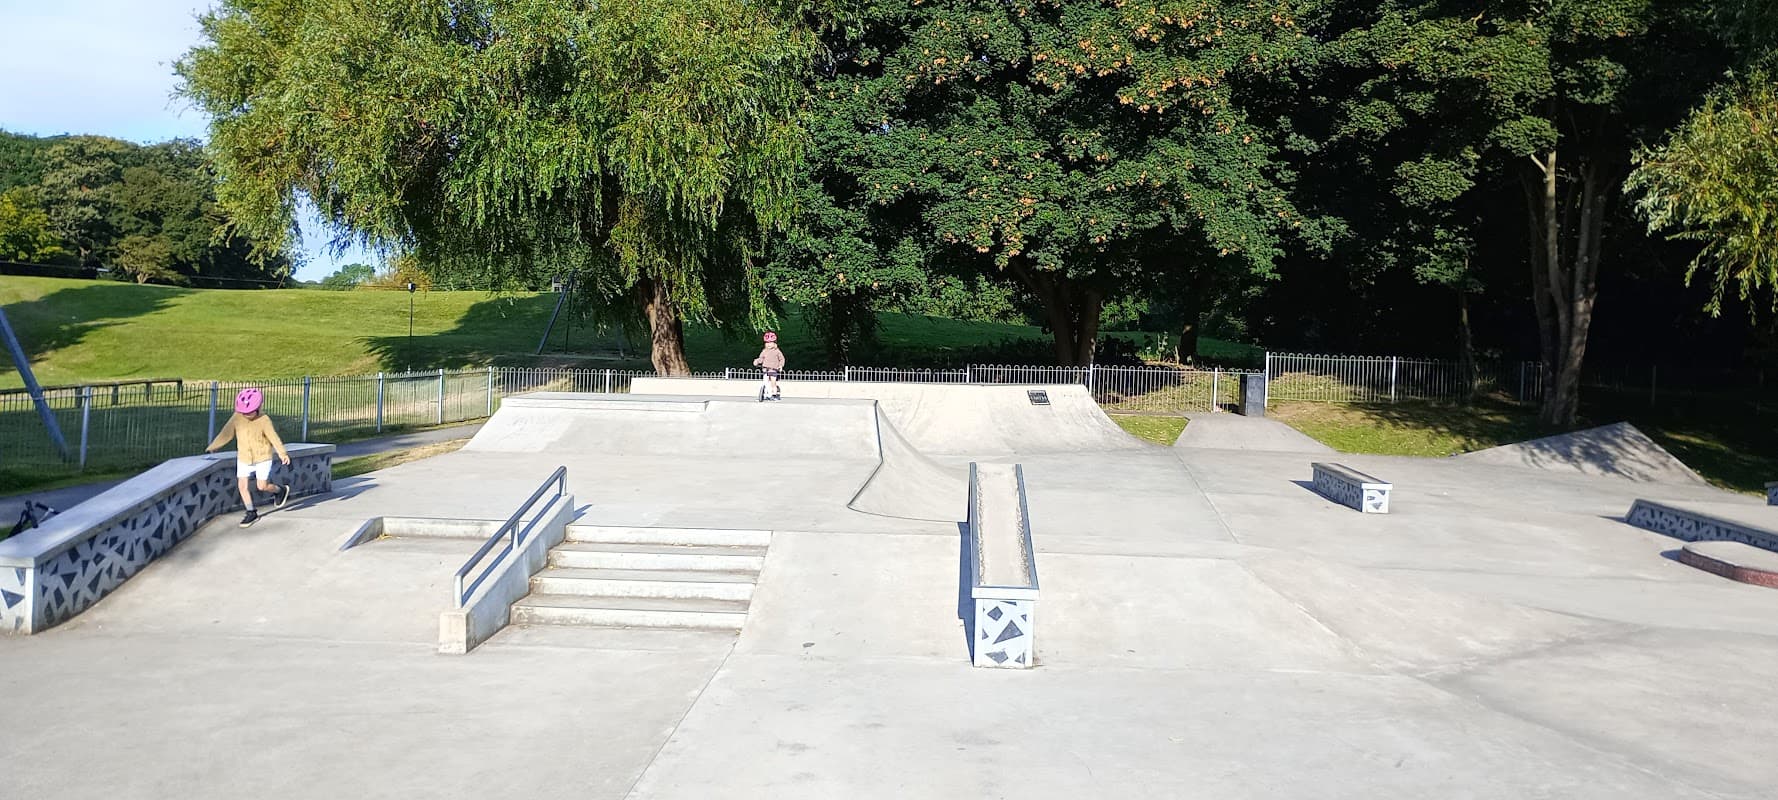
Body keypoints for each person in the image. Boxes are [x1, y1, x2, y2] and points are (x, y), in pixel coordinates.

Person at [205, 387, 292, 527]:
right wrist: (215, 446)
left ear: (258, 408)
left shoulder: (264, 420)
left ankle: (280, 490)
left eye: (249, 412)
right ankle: (251, 512)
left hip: (263, 457)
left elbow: (273, 437)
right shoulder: (237, 417)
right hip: (244, 457)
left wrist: (282, 453)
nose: (246, 415)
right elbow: (226, 433)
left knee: (262, 486)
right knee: (242, 485)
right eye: (243, 412)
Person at [752, 330, 786, 400]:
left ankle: (774, 394)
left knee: (773, 382)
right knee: (765, 381)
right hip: (765, 369)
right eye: (767, 343)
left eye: (770, 342)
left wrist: (780, 366)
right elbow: (761, 358)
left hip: (773, 369)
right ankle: (767, 393)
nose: (769, 344)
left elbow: (782, 359)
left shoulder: (777, 351)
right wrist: (757, 361)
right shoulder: (764, 351)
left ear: (774, 343)